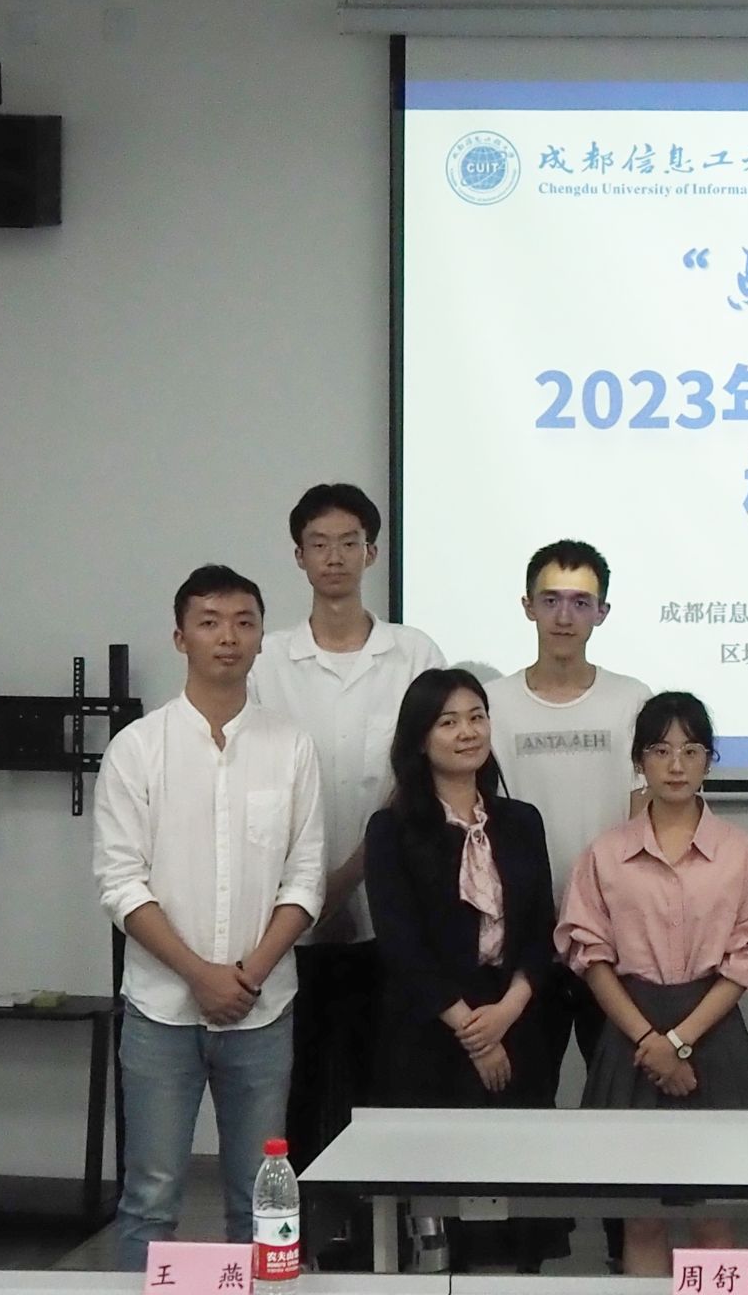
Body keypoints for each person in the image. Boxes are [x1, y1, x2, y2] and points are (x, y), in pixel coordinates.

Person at [92, 565, 325, 1271]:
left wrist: (246, 976)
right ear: (180, 637)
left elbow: (305, 879)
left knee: (260, 1198)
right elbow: (121, 884)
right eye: (210, 621)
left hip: (262, 1010)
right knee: (151, 1196)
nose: (229, 637)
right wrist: (200, 975)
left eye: (244, 622)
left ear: (261, 638)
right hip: (161, 1010)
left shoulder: (290, 746)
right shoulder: (139, 748)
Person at [246, 483, 444, 1260]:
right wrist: (307, 892)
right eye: (319, 543)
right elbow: (253, 782)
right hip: (279, 917)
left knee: (380, 1079)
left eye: (349, 542)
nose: (335, 557)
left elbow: (421, 775)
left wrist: (349, 878)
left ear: (373, 551)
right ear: (298, 556)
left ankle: (378, 1244)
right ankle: (295, 1241)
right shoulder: (267, 660)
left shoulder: (414, 653)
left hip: (387, 911)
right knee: (291, 1088)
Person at [555, 692, 748, 1276]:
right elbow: (588, 953)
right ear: (639, 761)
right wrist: (651, 1042)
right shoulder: (606, 852)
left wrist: (678, 1042)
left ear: (709, 760)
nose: (676, 765)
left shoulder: (740, 851)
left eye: (691, 750)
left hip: (714, 1032)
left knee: (716, 1213)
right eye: (660, 750)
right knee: (641, 1215)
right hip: (631, 1031)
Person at [364, 668, 561, 1271]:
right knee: (440, 1189)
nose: (467, 732)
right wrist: (474, 1032)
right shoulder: (392, 830)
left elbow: (540, 929)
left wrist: (508, 1011)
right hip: (431, 1026)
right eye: (447, 722)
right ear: (419, 739)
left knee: (516, 1182)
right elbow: (401, 943)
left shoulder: (522, 821)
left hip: (516, 1015)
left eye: (477, 717)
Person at [482, 539, 652, 1087]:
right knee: (526, 1095)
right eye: (550, 599)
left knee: (620, 1092)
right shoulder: (491, 704)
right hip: (522, 939)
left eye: (581, 603)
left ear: (602, 612)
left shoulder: (632, 700)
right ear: (527, 606)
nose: (564, 616)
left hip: (613, 936)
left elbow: (645, 817)